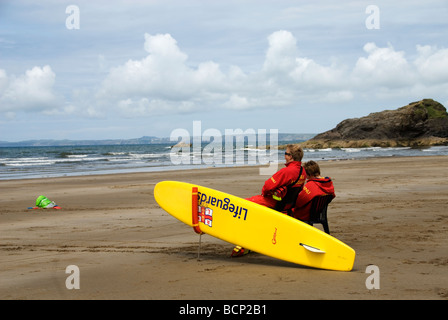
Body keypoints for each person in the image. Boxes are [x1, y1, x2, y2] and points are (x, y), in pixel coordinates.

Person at [231, 144, 307, 257]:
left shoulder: (287, 171)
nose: (284, 155)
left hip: (275, 203)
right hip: (287, 205)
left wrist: (266, 193)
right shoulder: (302, 171)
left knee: (242, 205)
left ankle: (245, 243)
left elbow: (267, 186)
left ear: (291, 157)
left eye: (285, 153)